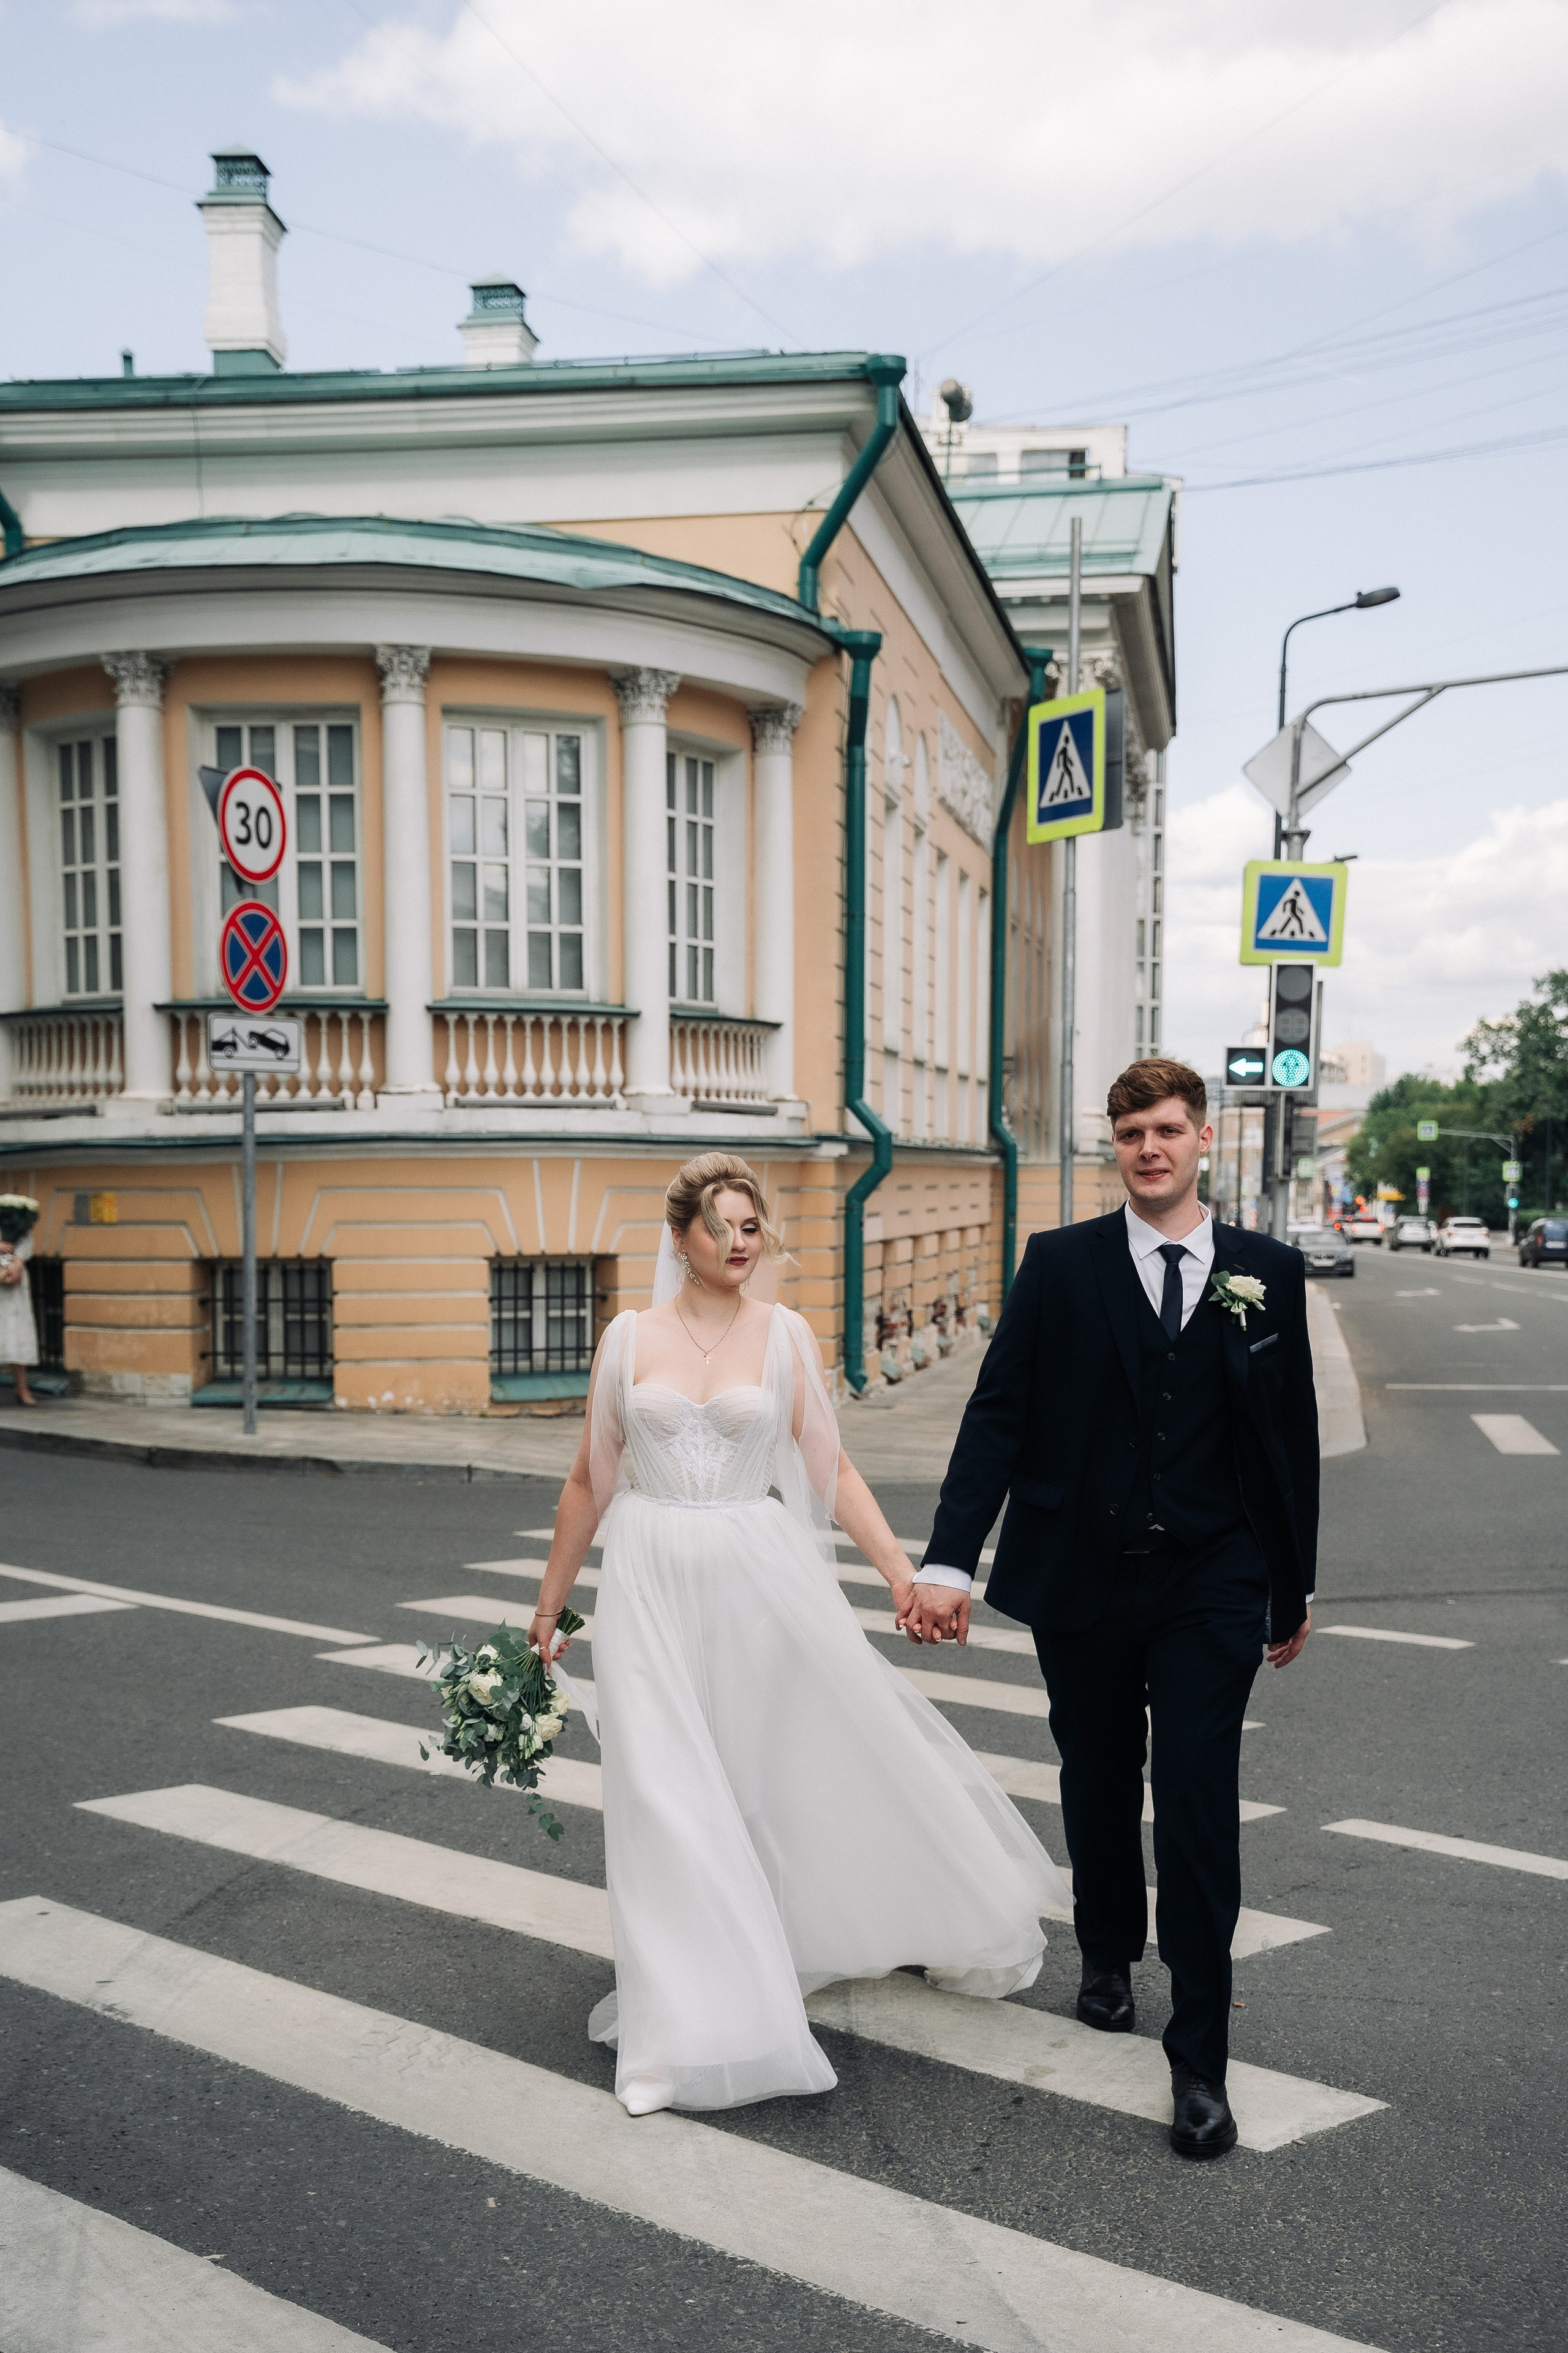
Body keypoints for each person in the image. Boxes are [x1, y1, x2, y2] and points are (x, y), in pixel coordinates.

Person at [527, 1150, 1068, 2117]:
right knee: (660, 1797)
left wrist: (908, 1574)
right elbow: (588, 1480)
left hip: (753, 1584)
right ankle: (680, 2027)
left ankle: (768, 1956)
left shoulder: (781, 1337)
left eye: (750, 1226)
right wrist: (548, 1605)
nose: (741, 1243)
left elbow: (833, 1471)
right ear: (681, 1238)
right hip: (648, 1581)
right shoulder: (626, 1339)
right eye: (721, 1227)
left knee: (745, 1789)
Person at [905, 1060, 1317, 2159]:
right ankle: (1103, 1949)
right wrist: (949, 1557)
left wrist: (1293, 1581)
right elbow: (996, 1415)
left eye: (1169, 1130)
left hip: (1212, 1581)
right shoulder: (1058, 1265)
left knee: (1194, 1799)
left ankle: (1199, 2060)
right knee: (1093, 1771)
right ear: (1114, 1146)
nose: (1150, 1147)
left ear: (1203, 1142)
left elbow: (1290, 1441)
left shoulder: (1268, 1271)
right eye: (1131, 1131)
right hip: (1081, 1573)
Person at [0, 1225, 39, 1406]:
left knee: (17, 1331)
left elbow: (25, 1238)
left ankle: (22, 1388)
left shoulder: (14, 1214)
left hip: (14, 1281)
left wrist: (19, 1261)